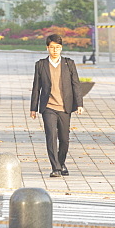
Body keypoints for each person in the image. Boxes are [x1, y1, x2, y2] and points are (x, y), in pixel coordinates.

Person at [30, 34, 84, 178]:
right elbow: (36, 87)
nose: (55, 50)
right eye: (52, 47)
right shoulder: (41, 64)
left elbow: (76, 85)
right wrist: (33, 108)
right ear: (47, 48)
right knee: (51, 136)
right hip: (48, 107)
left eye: (58, 48)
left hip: (65, 107)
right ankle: (55, 168)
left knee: (64, 139)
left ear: (61, 48)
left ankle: (61, 162)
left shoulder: (68, 63)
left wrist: (79, 104)